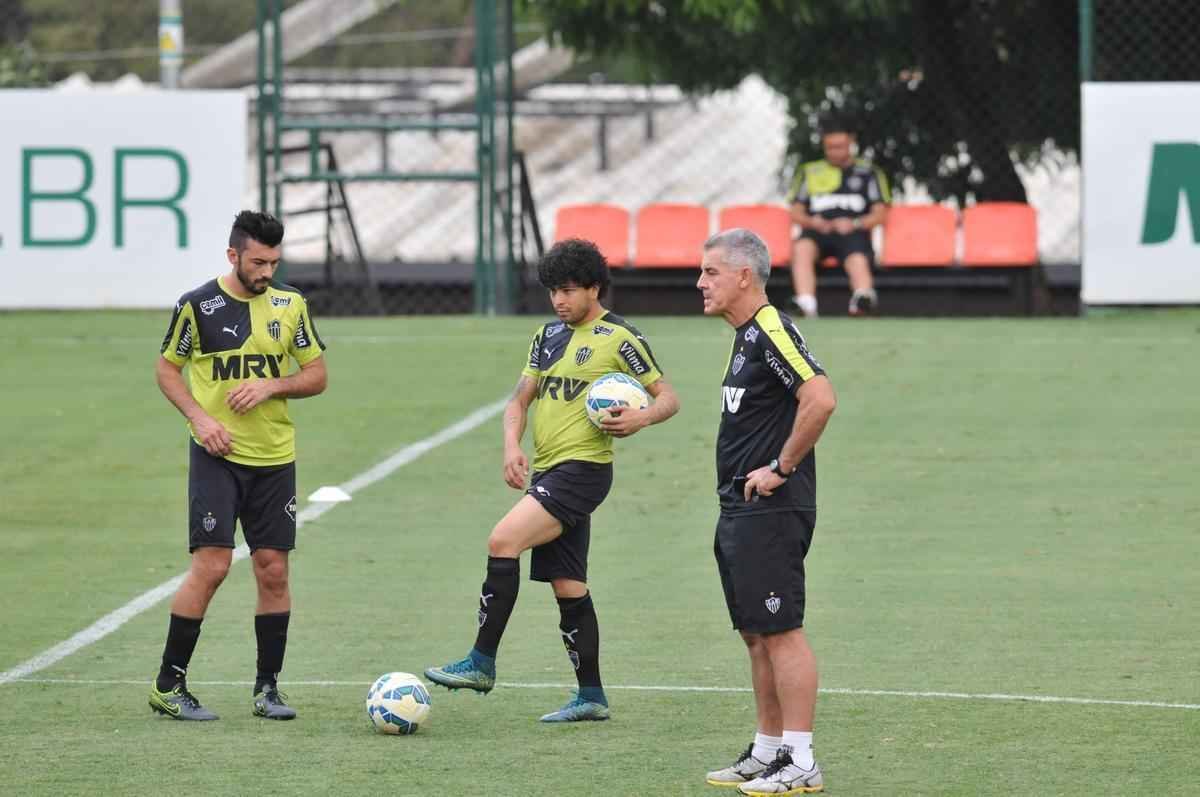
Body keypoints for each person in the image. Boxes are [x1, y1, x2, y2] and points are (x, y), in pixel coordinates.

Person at [424, 237, 680, 722]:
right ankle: (591, 697)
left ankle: (481, 662)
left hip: (584, 471)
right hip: (548, 469)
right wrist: (511, 447)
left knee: (502, 540)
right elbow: (519, 400)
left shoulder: (621, 338)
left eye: (567, 290)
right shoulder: (546, 337)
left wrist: (641, 418)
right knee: (568, 585)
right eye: (552, 291)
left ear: (593, 287)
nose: (558, 300)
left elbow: (667, 396)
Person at [149, 210, 328, 721]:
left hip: (276, 458)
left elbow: (316, 375)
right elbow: (167, 370)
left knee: (273, 570)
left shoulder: (290, 305)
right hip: (217, 457)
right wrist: (200, 420)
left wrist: (274, 384)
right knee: (213, 566)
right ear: (233, 256)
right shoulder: (197, 306)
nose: (267, 271)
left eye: (274, 261)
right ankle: (169, 685)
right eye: (258, 262)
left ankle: (267, 689)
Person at [696, 228, 837, 794]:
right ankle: (768, 749)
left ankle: (801, 759)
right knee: (757, 633)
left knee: (781, 632)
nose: (700, 282)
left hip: (770, 508)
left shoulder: (772, 329)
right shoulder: (746, 336)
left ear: (744, 276)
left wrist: (781, 467)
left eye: (710, 272)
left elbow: (821, 398)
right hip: (740, 508)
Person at [787, 121, 890, 317]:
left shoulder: (869, 173)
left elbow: (880, 213)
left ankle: (862, 300)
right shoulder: (809, 171)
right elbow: (795, 212)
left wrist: (855, 223)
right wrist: (812, 222)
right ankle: (805, 304)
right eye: (829, 147)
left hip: (853, 231)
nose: (834, 152)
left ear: (851, 142)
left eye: (839, 146)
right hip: (817, 230)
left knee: (857, 257)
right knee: (802, 249)